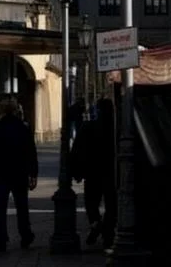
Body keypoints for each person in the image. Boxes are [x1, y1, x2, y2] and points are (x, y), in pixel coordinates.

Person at [0, 100, 39, 251]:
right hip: (19, 173)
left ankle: (1, 239)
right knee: (22, 206)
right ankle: (25, 235)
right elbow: (31, 152)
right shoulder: (23, 128)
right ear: (17, 111)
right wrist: (33, 174)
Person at [72, 97, 117, 248]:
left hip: (92, 173)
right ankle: (108, 235)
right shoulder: (117, 128)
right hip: (111, 172)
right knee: (112, 205)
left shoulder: (88, 126)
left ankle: (96, 222)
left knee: (91, 203)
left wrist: (76, 171)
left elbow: (78, 150)